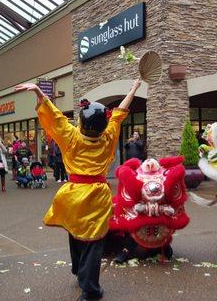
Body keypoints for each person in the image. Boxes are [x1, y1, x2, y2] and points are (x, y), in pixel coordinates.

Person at [15, 79, 140, 301]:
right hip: (97, 195)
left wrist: (38, 92)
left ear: (81, 122)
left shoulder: (72, 137)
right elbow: (120, 112)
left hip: (73, 194)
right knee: (94, 240)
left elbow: (55, 117)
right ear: (104, 123)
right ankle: (90, 288)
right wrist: (133, 89)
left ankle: (79, 272)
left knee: (75, 232)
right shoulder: (109, 136)